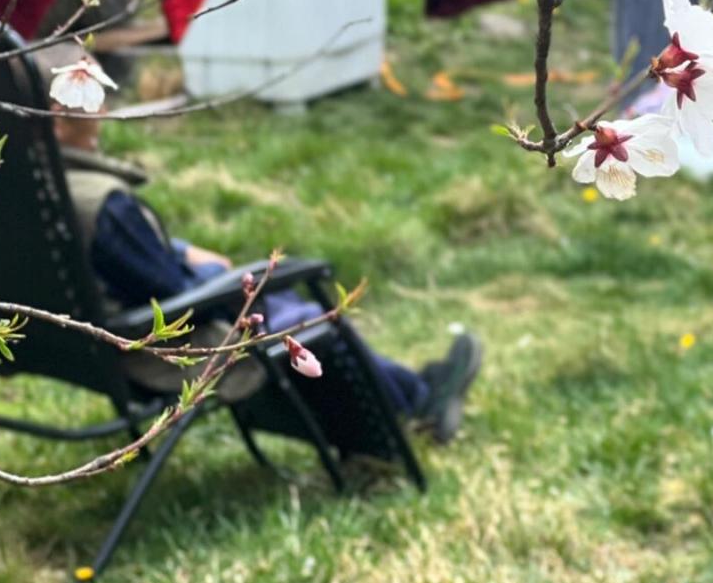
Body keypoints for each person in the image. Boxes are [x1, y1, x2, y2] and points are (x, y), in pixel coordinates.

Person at [45, 52, 481, 446]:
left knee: (255, 292)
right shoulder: (102, 206)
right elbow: (174, 298)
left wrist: (178, 250)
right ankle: (416, 403)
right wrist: (225, 286)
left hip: (69, 350)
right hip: (156, 352)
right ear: (57, 119)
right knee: (295, 312)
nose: (100, 103)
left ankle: (416, 388)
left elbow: (126, 262)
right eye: (85, 94)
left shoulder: (24, 189)